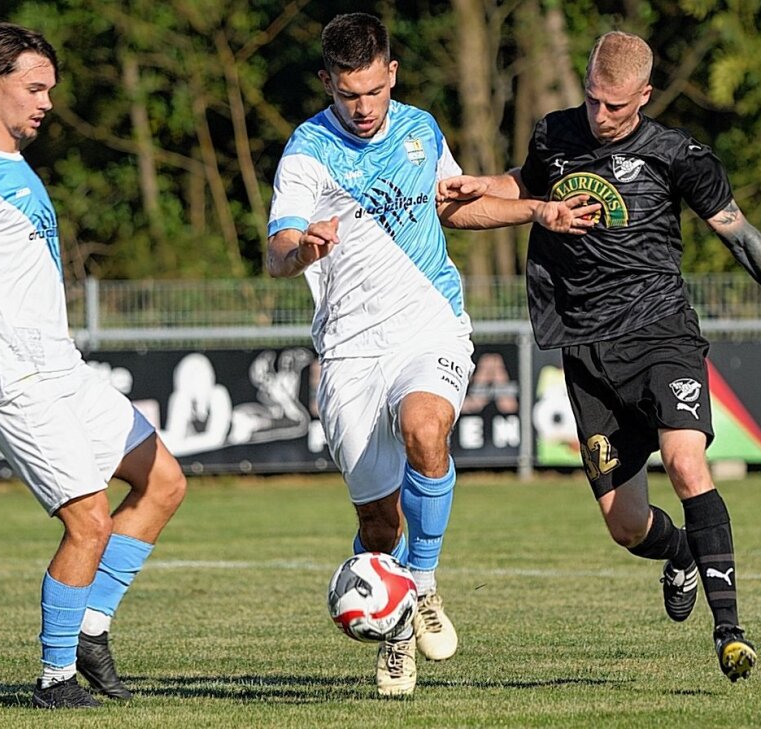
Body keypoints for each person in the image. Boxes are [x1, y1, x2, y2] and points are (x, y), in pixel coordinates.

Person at [436, 30, 761, 682]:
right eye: (595, 100)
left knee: (688, 465)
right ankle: (681, 550)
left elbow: (740, 236)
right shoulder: (555, 132)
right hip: (585, 350)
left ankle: (731, 633)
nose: (602, 116)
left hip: (662, 337)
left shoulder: (677, 154)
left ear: (645, 96)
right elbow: (524, 183)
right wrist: (487, 184)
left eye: (616, 107)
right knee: (626, 526)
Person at [265, 12, 597, 697]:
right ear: (328, 82)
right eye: (347, 94)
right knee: (376, 523)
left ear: (391, 72)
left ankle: (419, 584)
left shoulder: (419, 129)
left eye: (373, 91)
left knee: (426, 428)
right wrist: (303, 246)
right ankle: (396, 628)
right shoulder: (307, 150)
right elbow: (277, 251)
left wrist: (537, 210)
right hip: (350, 347)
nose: (362, 108)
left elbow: (451, 206)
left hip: (429, 323)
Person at [0, 22, 187, 709]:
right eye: (35, 87)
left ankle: (90, 630)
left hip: (66, 373)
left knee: (165, 481)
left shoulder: (16, 167)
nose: (47, 102)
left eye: (50, 89)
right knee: (88, 519)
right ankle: (56, 679)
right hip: (17, 384)